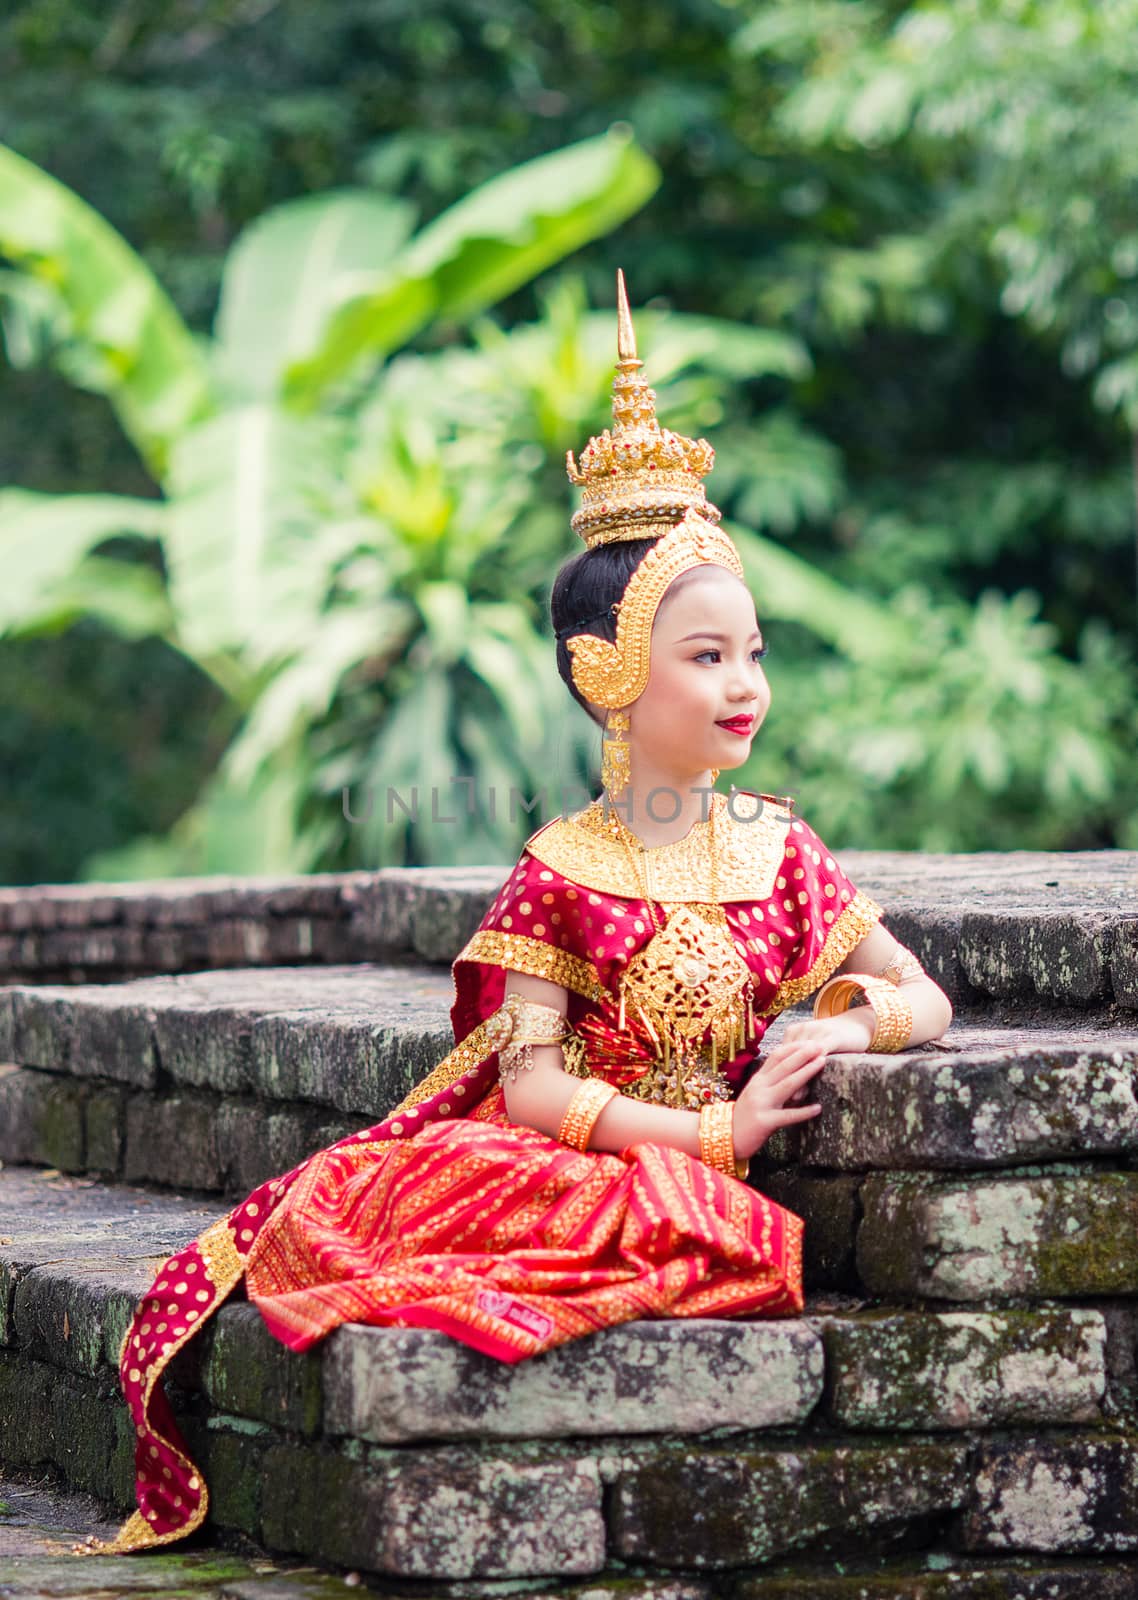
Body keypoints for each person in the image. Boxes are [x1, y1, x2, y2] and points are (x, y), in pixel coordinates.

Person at [96, 271, 953, 1556]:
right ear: (605, 671)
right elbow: (536, 1084)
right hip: (591, 1150)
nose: (745, 685)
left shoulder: (782, 849)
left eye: (754, 652)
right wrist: (710, 1129)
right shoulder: (561, 862)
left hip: (693, 1144)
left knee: (713, 1224)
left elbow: (926, 993)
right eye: (706, 656)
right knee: (665, 1209)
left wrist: (847, 1028)